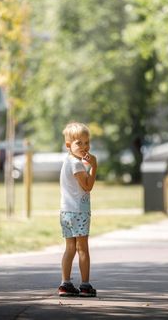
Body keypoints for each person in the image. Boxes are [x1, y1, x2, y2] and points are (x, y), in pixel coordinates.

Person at [57, 122, 98, 297]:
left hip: (66, 212)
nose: (84, 147)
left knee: (70, 249)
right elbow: (87, 186)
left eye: (86, 142)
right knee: (83, 249)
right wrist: (94, 166)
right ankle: (85, 285)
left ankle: (65, 284)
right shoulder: (77, 164)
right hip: (78, 212)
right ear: (68, 145)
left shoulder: (68, 161)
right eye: (78, 143)